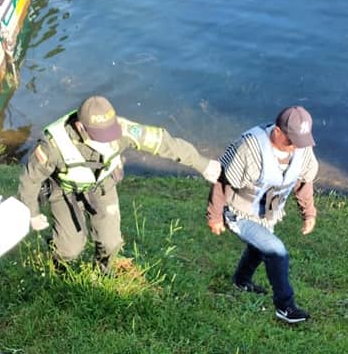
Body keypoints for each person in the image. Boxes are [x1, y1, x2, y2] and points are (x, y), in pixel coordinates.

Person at [18, 95, 221, 271]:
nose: (108, 141)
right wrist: (32, 213)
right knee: (70, 249)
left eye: (110, 134)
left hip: (102, 185)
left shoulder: (122, 129)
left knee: (111, 242)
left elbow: (164, 143)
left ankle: (102, 270)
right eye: (100, 137)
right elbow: (30, 178)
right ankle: (59, 266)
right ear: (80, 128)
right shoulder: (53, 145)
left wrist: (203, 164)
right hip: (65, 190)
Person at [206, 106, 319, 324]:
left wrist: (309, 214)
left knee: (260, 247)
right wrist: (215, 216)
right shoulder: (248, 147)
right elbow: (222, 180)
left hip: (269, 214)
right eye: (291, 140)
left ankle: (240, 280)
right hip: (239, 212)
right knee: (276, 251)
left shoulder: (302, 148)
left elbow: (304, 181)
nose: (295, 147)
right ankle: (285, 307)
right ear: (277, 131)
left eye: (301, 141)